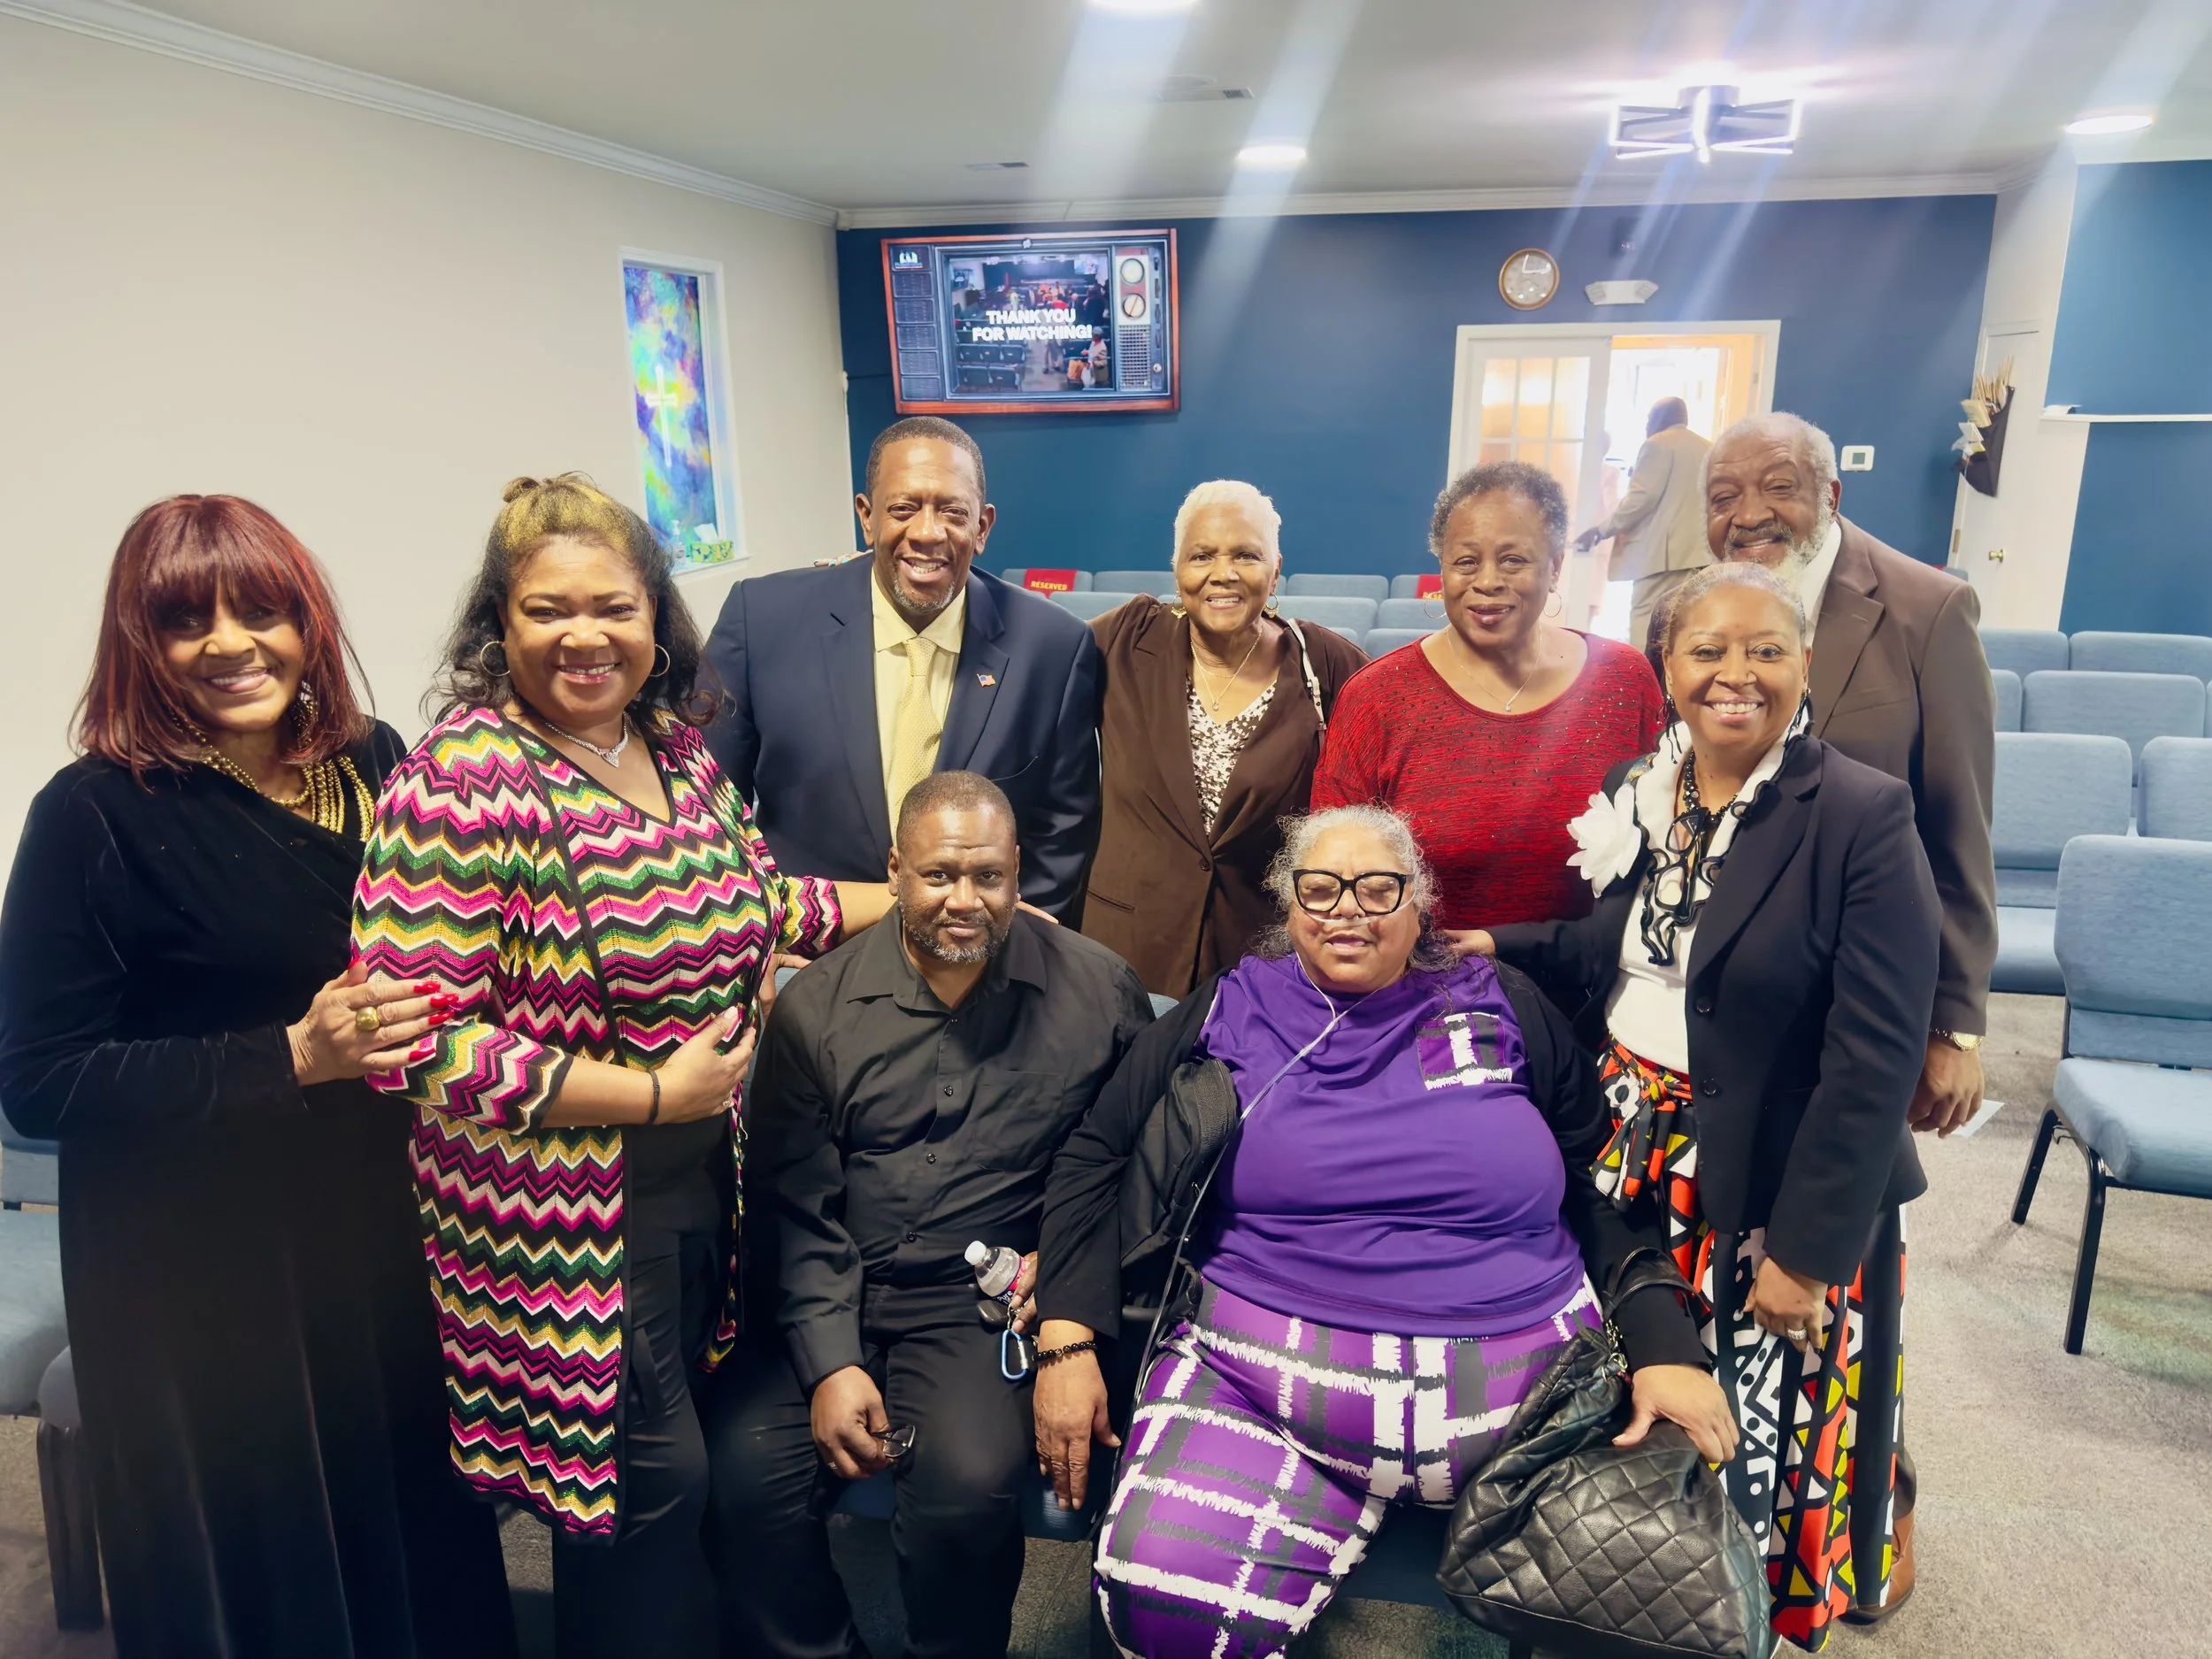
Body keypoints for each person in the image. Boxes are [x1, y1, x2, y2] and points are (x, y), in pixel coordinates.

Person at [349, 476, 891, 1658]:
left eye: (614, 605)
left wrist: (919, 897)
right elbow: (415, 1041)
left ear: (657, 617)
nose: (585, 635)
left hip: (702, 1179)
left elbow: (760, 901)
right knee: (642, 1494)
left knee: (675, 1488)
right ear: (502, 623)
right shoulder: (459, 780)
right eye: (549, 610)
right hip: (554, 1221)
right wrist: (650, 1093)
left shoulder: (675, 749)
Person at [1031, 804, 1733, 1659]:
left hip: (1535, 1410)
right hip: (1264, 1393)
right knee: (1162, 1598)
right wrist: (1066, 1335)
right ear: (1289, 907)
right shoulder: (1233, 1004)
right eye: (1319, 889)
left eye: (1378, 887)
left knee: (1655, 1605)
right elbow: (1094, 1153)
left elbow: (1605, 1177)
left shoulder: (1501, 1000)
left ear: (1421, 902)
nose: (1347, 910)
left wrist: (1667, 1344)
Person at [0, 496, 513, 1658]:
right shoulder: (92, 814)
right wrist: (287, 1054)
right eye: (188, 620)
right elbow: (39, 1078)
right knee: (264, 1543)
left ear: (307, 621)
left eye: (262, 609)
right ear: (143, 643)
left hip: (372, 1217)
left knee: (405, 1509)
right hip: (198, 1267)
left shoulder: (373, 761)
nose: (232, 641)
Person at [1467, 561, 1940, 1650]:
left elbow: (1872, 1058)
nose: (1736, 675)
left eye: (1765, 650)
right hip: (1631, 1139)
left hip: (1774, 1174)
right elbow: (1620, 954)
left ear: (1803, 665)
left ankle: (1724, 1616)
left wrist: (1809, 1255)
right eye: (1706, 651)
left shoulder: (1860, 814)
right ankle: (1611, 1597)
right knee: (1636, 1390)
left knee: (1747, 1424)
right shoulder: (1653, 779)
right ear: (1665, 669)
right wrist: (1500, 944)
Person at [716, 772, 1153, 1659]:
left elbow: (1127, 1172)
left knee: (968, 1486)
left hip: (977, 1305)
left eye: (987, 877)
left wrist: (1062, 1283)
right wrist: (831, 1361)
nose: (964, 900)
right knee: (736, 1481)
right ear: (896, 872)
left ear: (1018, 873)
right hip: (832, 1282)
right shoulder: (817, 1006)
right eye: (939, 874)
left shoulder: (1099, 993)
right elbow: (793, 1203)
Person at [1702, 411, 1995, 1622]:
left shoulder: (1924, 606)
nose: (1752, 508)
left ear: (1829, 488)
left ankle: (1870, 1509)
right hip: (1736, 1007)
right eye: (1727, 489)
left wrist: (1958, 1016)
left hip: (1862, 1005)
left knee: (1841, 1267)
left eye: (1779, 484)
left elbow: (1959, 819)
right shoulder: (1696, 603)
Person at [706, 418, 1102, 916]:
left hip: (982, 960)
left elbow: (1061, 835)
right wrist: (750, 935)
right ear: (867, 517)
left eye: (953, 512)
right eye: (903, 509)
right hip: (807, 953)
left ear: (982, 527)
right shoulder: (762, 620)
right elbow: (711, 813)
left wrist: (1016, 951)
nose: (928, 533)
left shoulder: (1053, 647)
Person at [1312, 460, 1664, 944]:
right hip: (1423, 990)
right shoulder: (1377, 697)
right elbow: (1329, 871)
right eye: (1466, 561)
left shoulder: (1624, 680)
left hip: (1587, 984)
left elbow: (1663, 843)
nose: (1488, 581)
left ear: (1556, 565)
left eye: (1514, 560)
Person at [1082, 480, 1367, 997]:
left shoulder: (1327, 664)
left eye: (1246, 555)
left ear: (1276, 567)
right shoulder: (1122, 641)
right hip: (1123, 952)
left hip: (1261, 959)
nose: (1223, 573)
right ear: (1177, 568)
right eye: (1202, 555)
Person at [1574, 396, 1714, 650]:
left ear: (1660, 418)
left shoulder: (1657, 445)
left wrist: (1601, 530)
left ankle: (1642, 682)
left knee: (1646, 625)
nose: (1647, 425)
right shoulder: (1708, 448)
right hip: (1699, 554)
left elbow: (1641, 499)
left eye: (1649, 418)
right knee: (1683, 627)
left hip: (1660, 556)